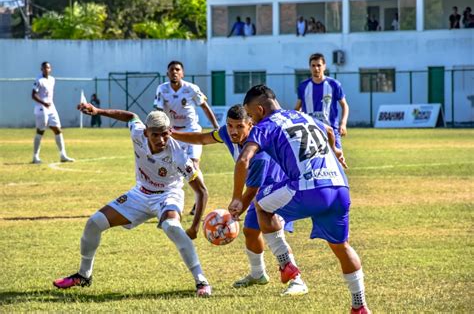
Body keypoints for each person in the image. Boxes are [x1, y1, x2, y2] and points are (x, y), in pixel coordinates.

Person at [228, 85, 370, 313]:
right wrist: (336, 152)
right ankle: (359, 305)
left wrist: (236, 198)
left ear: (260, 110)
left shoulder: (265, 125)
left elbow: (244, 159)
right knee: (342, 246)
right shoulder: (303, 116)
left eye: (251, 114)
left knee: (261, 207)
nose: (252, 120)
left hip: (309, 187)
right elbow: (330, 131)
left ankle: (287, 265)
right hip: (339, 186)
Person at [53, 103, 212, 297]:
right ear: (146, 133)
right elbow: (131, 116)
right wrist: (99, 111)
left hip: (168, 194)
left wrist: (195, 227)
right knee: (94, 223)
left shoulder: (178, 155)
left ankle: (201, 280)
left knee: (172, 226)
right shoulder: (137, 133)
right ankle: (84, 276)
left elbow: (202, 191)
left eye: (165, 133)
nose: (161, 139)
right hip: (140, 194)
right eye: (155, 134)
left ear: (170, 131)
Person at [172, 104, 302, 294]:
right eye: (230, 125)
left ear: (250, 124)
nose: (233, 131)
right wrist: (174, 134)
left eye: (239, 126)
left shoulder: (259, 153)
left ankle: (297, 280)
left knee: (273, 231)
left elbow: (251, 190)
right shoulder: (226, 132)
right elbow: (202, 138)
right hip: (260, 191)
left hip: (278, 188)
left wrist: (234, 211)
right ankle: (258, 274)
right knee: (250, 230)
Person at [153, 60, 219, 214]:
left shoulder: (191, 89)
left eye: (177, 69)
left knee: (194, 164)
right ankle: (166, 202)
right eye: (172, 70)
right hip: (173, 133)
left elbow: (204, 106)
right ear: (167, 73)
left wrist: (216, 126)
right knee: (170, 166)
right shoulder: (162, 89)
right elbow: (158, 111)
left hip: (192, 131)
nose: (174, 72)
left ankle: (199, 200)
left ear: (182, 73)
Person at [295, 53, 349, 149]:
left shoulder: (334, 85)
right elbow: (297, 108)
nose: (316, 68)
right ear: (310, 67)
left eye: (319, 65)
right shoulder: (303, 86)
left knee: (338, 161)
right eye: (313, 65)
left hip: (331, 131)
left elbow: (344, 105)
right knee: (310, 163)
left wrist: (343, 124)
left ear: (324, 66)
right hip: (310, 132)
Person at [31, 61, 74, 164]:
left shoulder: (52, 80)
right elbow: (33, 95)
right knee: (41, 130)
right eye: (44, 68)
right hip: (41, 108)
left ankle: (63, 155)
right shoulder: (38, 80)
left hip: (51, 107)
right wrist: (43, 103)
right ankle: (35, 157)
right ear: (41, 69)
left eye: (48, 68)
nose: (46, 69)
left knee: (57, 129)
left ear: (50, 69)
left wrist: (48, 104)